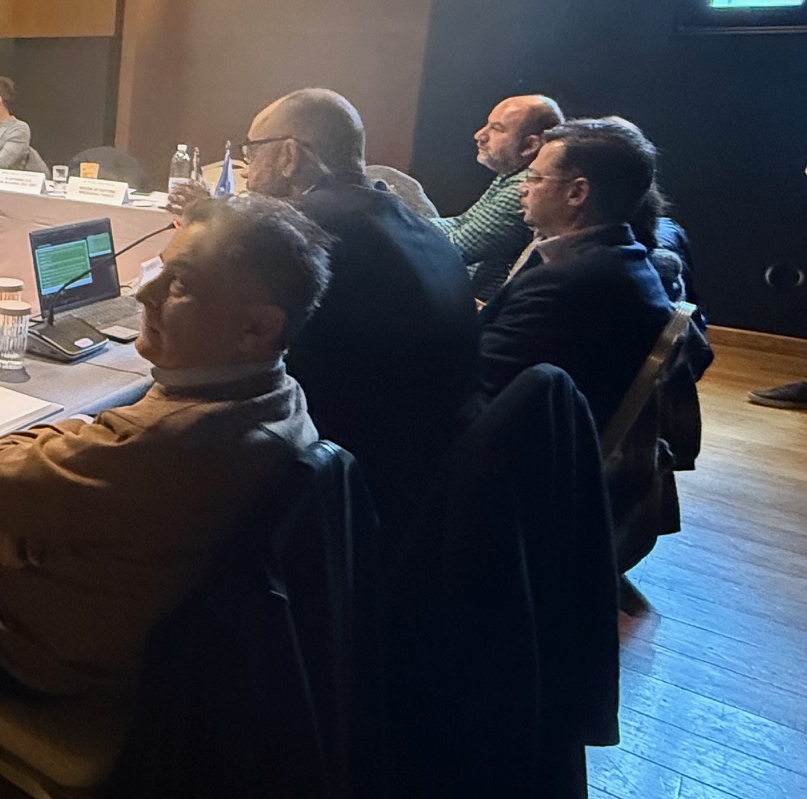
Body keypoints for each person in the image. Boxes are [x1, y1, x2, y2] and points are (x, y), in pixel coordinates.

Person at [0, 195, 328, 696]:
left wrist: (69, 437)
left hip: (39, 654)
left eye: (181, 282)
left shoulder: (161, 444)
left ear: (257, 328)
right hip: (137, 638)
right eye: (160, 269)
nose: (145, 292)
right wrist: (81, 440)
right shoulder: (283, 397)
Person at [187, 89, 479, 534]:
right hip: (432, 486)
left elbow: (213, 346)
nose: (247, 168)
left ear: (288, 155)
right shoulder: (414, 223)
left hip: (348, 497)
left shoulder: (298, 231)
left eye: (252, 151)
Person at [477, 117, 674, 429]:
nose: (523, 189)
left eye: (534, 178)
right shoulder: (623, 260)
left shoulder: (568, 283)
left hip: (511, 442)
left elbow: (477, 375)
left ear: (576, 193)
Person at [434, 95, 565, 300]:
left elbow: (454, 249)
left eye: (496, 129)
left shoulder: (523, 188)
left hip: (478, 306)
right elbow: (461, 222)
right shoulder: (510, 174)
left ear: (530, 145)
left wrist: (398, 227)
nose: (480, 135)